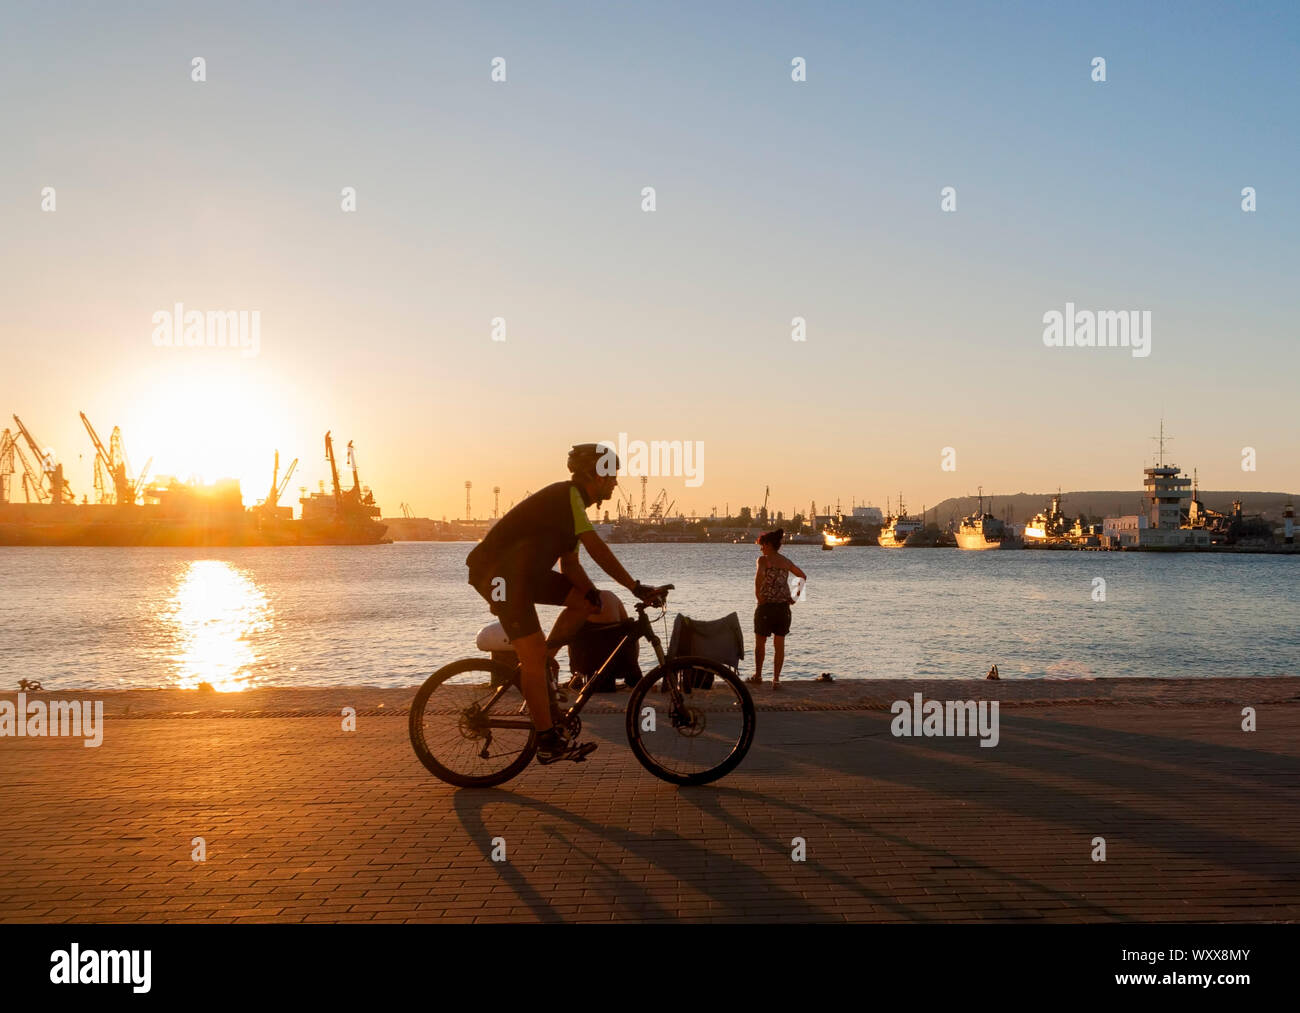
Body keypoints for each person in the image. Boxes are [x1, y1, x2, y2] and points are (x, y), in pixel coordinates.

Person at [467, 443, 657, 763]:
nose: (615, 481)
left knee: (585, 604)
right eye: (610, 474)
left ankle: (547, 665)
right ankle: (546, 740)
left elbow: (571, 565)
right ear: (590, 475)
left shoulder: (572, 508)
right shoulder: (567, 495)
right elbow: (596, 546)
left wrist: (592, 593)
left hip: (525, 575)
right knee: (532, 655)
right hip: (500, 577)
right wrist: (634, 586)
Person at [749, 528, 806, 690]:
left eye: (762, 545)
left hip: (766, 606)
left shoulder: (763, 560)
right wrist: (795, 597)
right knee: (779, 644)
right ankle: (776, 679)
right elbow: (802, 576)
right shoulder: (786, 561)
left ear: (768, 545)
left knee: (760, 642)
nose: (761, 548)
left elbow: (759, 578)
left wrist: (759, 598)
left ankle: (758, 675)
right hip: (783, 607)